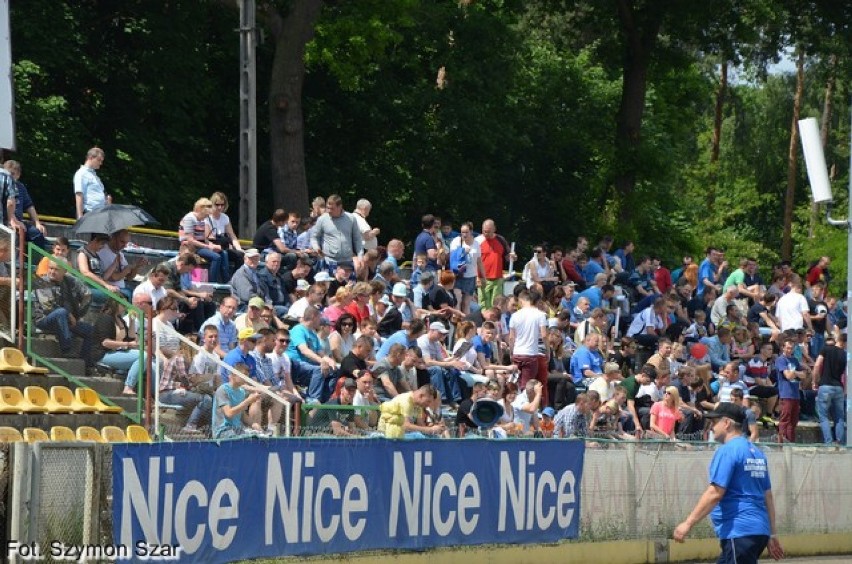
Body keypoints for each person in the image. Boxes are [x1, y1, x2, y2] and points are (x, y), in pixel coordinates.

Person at [674, 403, 784, 564]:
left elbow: (715, 493)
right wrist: (771, 534)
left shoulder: (728, 451)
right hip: (757, 531)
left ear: (727, 423)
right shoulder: (757, 452)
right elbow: (767, 496)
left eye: (714, 422)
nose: (711, 428)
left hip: (739, 531)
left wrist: (688, 523)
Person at [32, 259, 95, 368]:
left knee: (91, 330)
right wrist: (69, 315)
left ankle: (85, 362)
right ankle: (67, 349)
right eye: (51, 268)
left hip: (66, 321)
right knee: (61, 312)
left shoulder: (70, 281)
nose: (52, 271)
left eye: (56, 269)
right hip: (45, 319)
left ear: (65, 271)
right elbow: (48, 306)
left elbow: (87, 294)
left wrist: (79, 314)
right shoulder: (42, 281)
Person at [179, 197, 228, 283]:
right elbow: (190, 240)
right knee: (216, 257)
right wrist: (208, 246)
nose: (206, 217)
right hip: (191, 247)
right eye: (206, 215)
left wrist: (212, 245)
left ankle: (226, 280)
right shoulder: (190, 218)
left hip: (200, 245)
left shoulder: (201, 219)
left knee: (223, 252)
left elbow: (203, 238)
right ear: (201, 210)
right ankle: (213, 282)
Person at [311, 194, 363, 274]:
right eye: (327, 208)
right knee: (331, 285)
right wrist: (316, 248)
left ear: (340, 207)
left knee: (349, 285)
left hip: (347, 260)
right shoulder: (322, 219)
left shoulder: (351, 218)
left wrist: (360, 256)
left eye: (332, 209)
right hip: (330, 260)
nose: (329, 211)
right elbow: (314, 237)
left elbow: (357, 239)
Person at [3, 160, 48, 249]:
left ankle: (38, 262)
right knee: (14, 234)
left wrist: (37, 222)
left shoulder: (21, 187)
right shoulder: (3, 186)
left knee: (37, 234)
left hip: (19, 222)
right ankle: (14, 262)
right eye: (7, 173)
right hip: (5, 221)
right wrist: (13, 220)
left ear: (18, 175)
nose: (9, 177)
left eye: (12, 174)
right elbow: (8, 205)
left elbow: (29, 206)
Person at [211, 361, 263, 439]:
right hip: (223, 430)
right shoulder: (223, 390)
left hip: (237, 429)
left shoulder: (241, 392)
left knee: (257, 436)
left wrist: (253, 424)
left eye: (247, 376)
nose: (246, 378)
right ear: (234, 375)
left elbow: (241, 414)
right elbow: (229, 413)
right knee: (246, 439)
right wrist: (248, 401)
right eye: (244, 375)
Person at [812, 333, 846, 445]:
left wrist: (815, 381)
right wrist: (845, 389)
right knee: (840, 417)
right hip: (839, 387)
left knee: (823, 416)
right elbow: (846, 374)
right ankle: (839, 441)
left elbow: (817, 365)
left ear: (838, 339)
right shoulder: (845, 354)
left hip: (825, 385)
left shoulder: (826, 349)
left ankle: (828, 442)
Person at [475, 219, 514, 309]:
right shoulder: (478, 241)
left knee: (497, 304)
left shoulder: (501, 240)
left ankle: (495, 321)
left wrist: (512, 257)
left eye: (488, 231)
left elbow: (508, 256)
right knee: (483, 304)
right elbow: (473, 261)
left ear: (494, 229)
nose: (486, 234)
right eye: (484, 231)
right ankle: (485, 322)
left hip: (498, 277)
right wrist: (477, 277)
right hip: (483, 278)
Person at [73, 147, 107, 218]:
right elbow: (79, 194)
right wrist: (80, 216)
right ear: (91, 158)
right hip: (89, 214)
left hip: (100, 214)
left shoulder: (94, 176)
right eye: (99, 160)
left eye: (102, 161)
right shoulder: (81, 173)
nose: (101, 163)